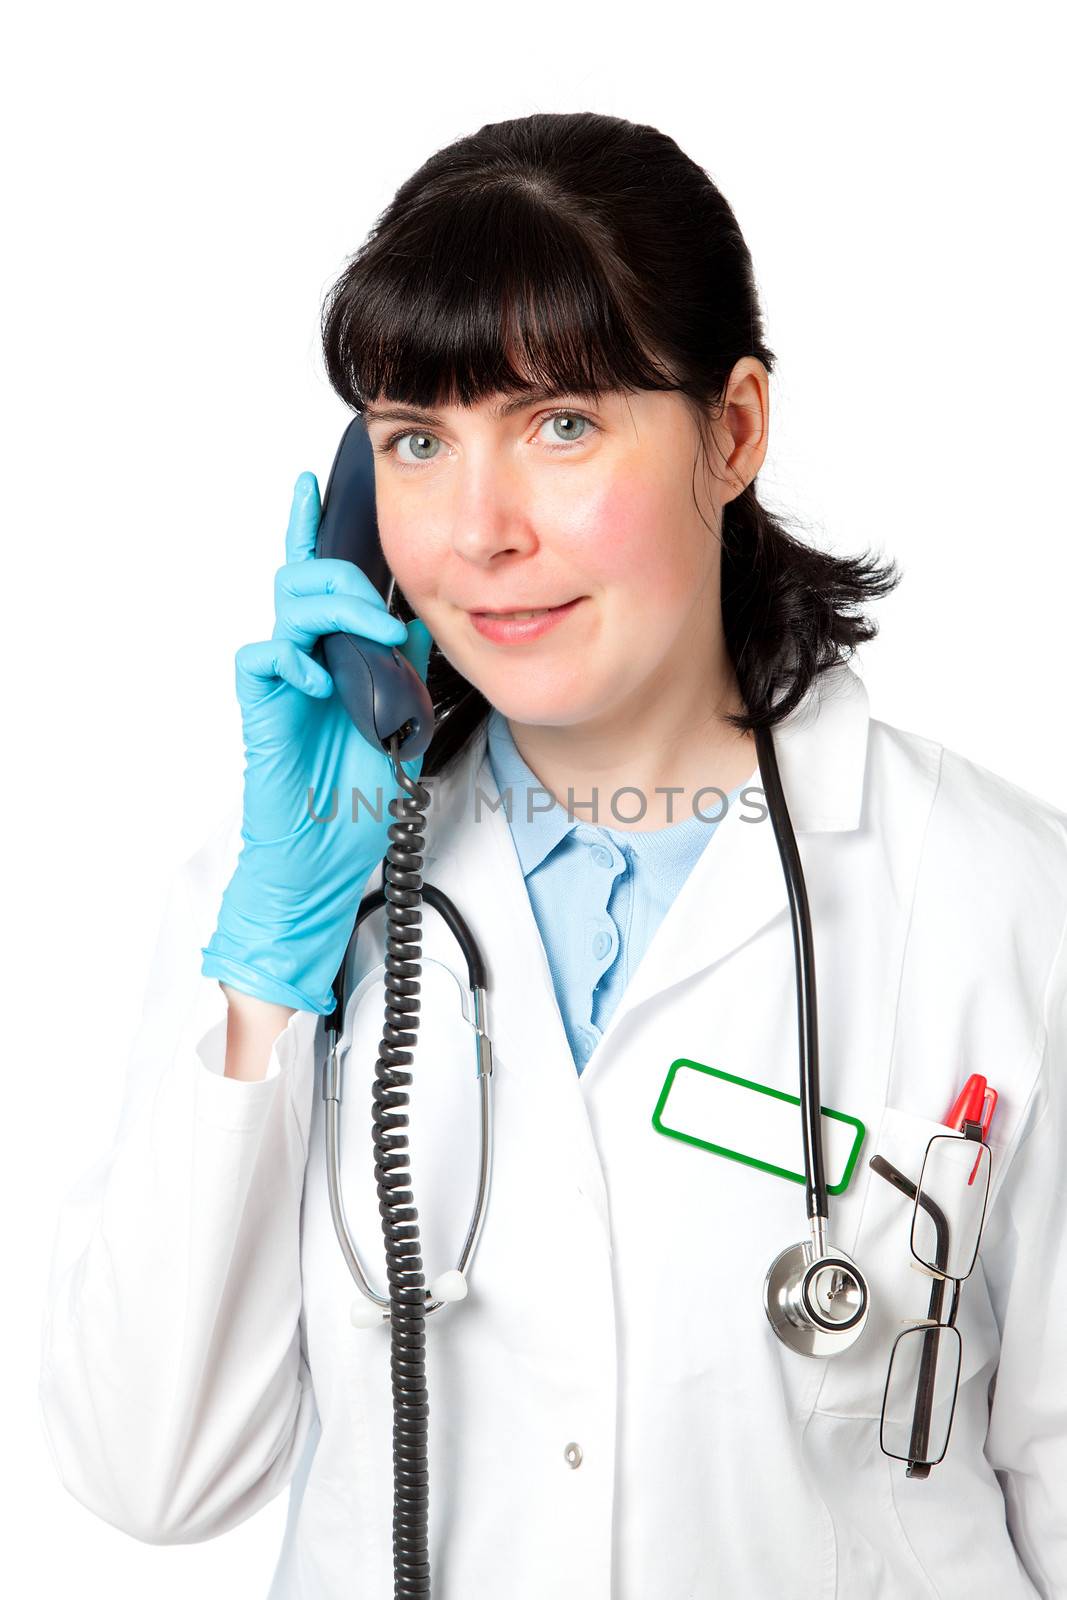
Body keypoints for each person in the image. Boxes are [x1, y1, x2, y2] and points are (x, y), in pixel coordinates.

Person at [39, 110, 1067, 1599]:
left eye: (563, 425)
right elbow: (150, 1473)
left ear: (734, 431)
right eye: (415, 442)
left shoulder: (1006, 903)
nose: (476, 532)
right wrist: (266, 980)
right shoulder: (286, 893)